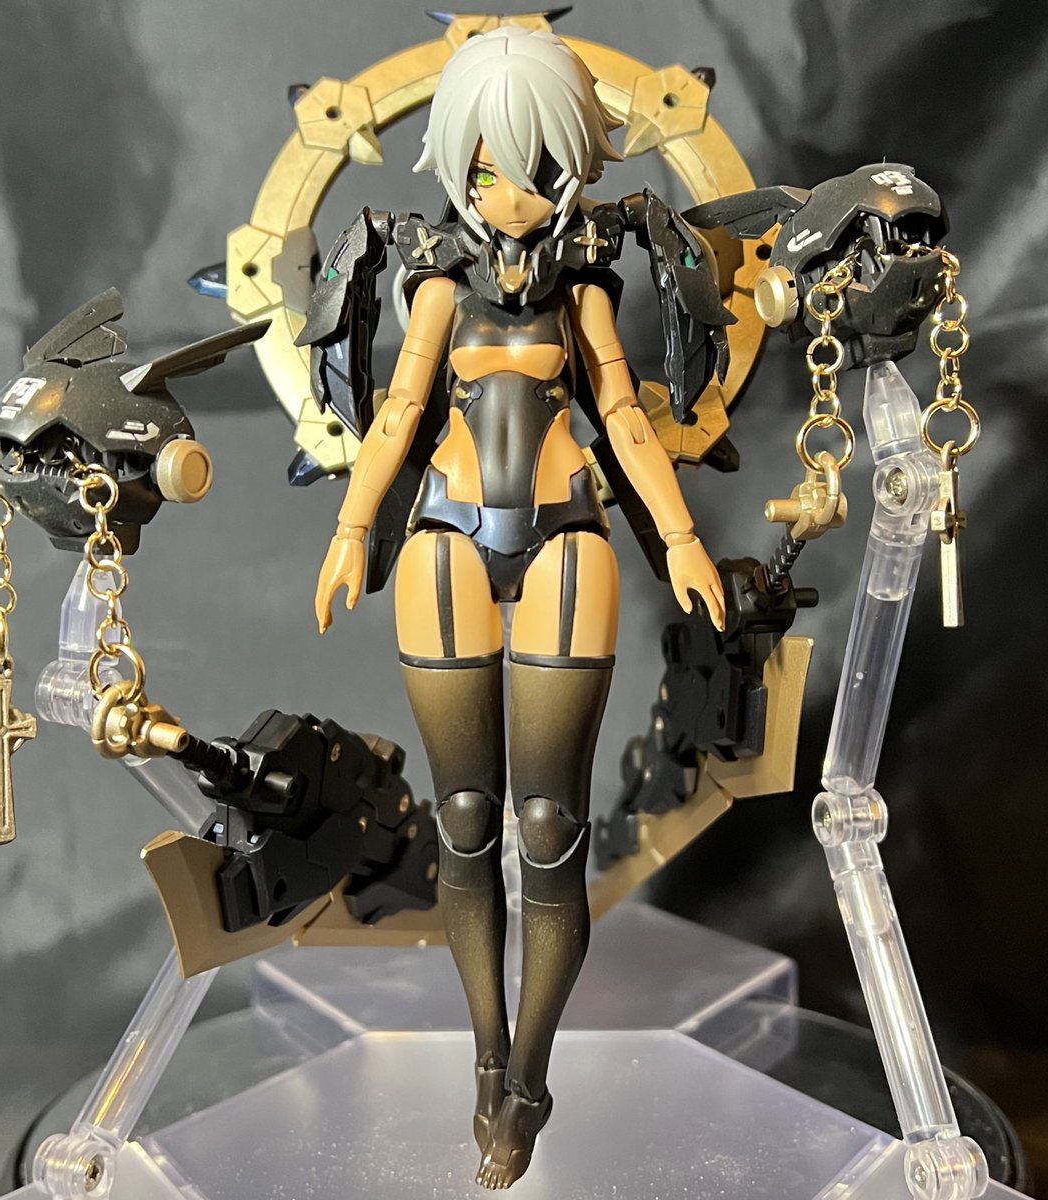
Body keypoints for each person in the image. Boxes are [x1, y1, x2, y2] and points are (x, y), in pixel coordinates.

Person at [313, 25, 726, 1189]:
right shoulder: (441, 285)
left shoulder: (584, 287)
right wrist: (350, 530)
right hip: (444, 540)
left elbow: (625, 419)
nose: (510, 193)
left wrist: (681, 539)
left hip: (565, 544)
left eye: (538, 169)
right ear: (456, 167)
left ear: (575, 167)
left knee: (548, 829)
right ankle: (484, 1055)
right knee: (465, 820)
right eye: (487, 168)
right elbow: (399, 412)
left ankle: (529, 1081)